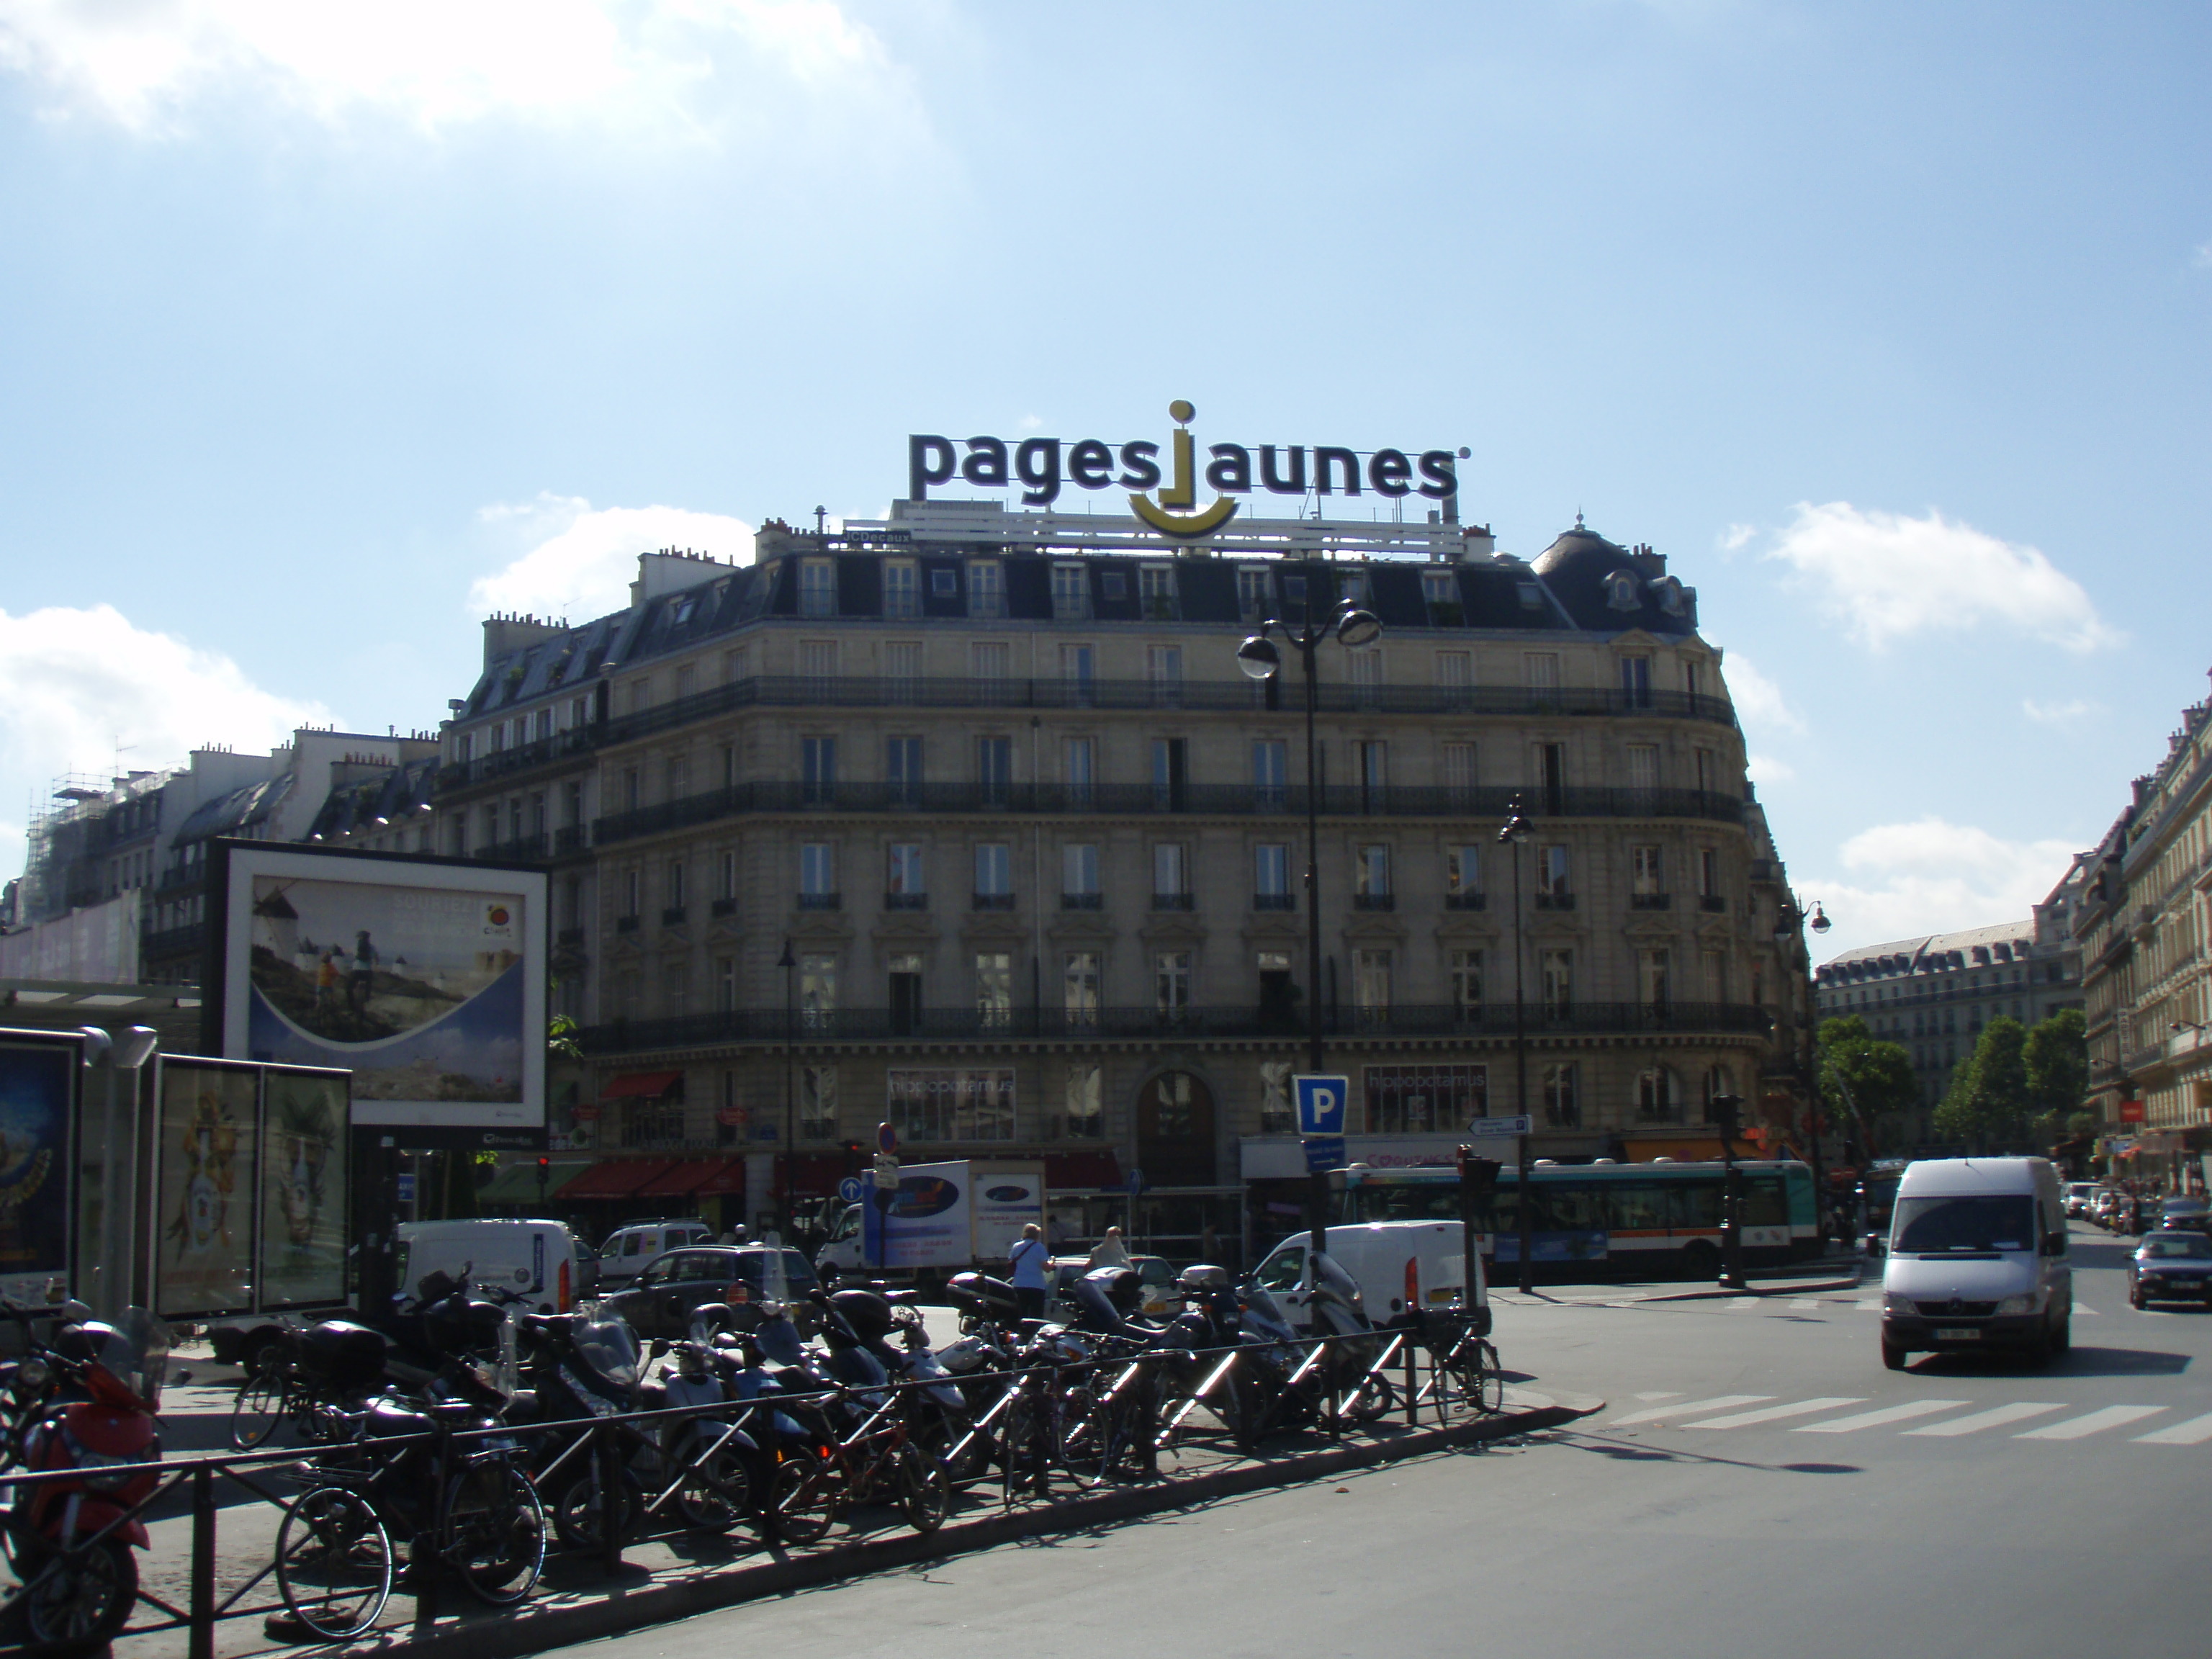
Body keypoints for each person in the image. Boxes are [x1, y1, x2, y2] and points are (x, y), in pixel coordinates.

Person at [1009, 1222, 1049, 1319]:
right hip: (1036, 1285)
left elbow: (1011, 1261)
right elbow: (1046, 1268)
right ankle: (1033, 1332)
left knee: (1021, 1313)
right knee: (1036, 1315)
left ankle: (1022, 1332)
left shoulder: (1016, 1246)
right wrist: (1051, 1265)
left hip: (1019, 1284)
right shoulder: (1039, 1247)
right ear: (1037, 1235)